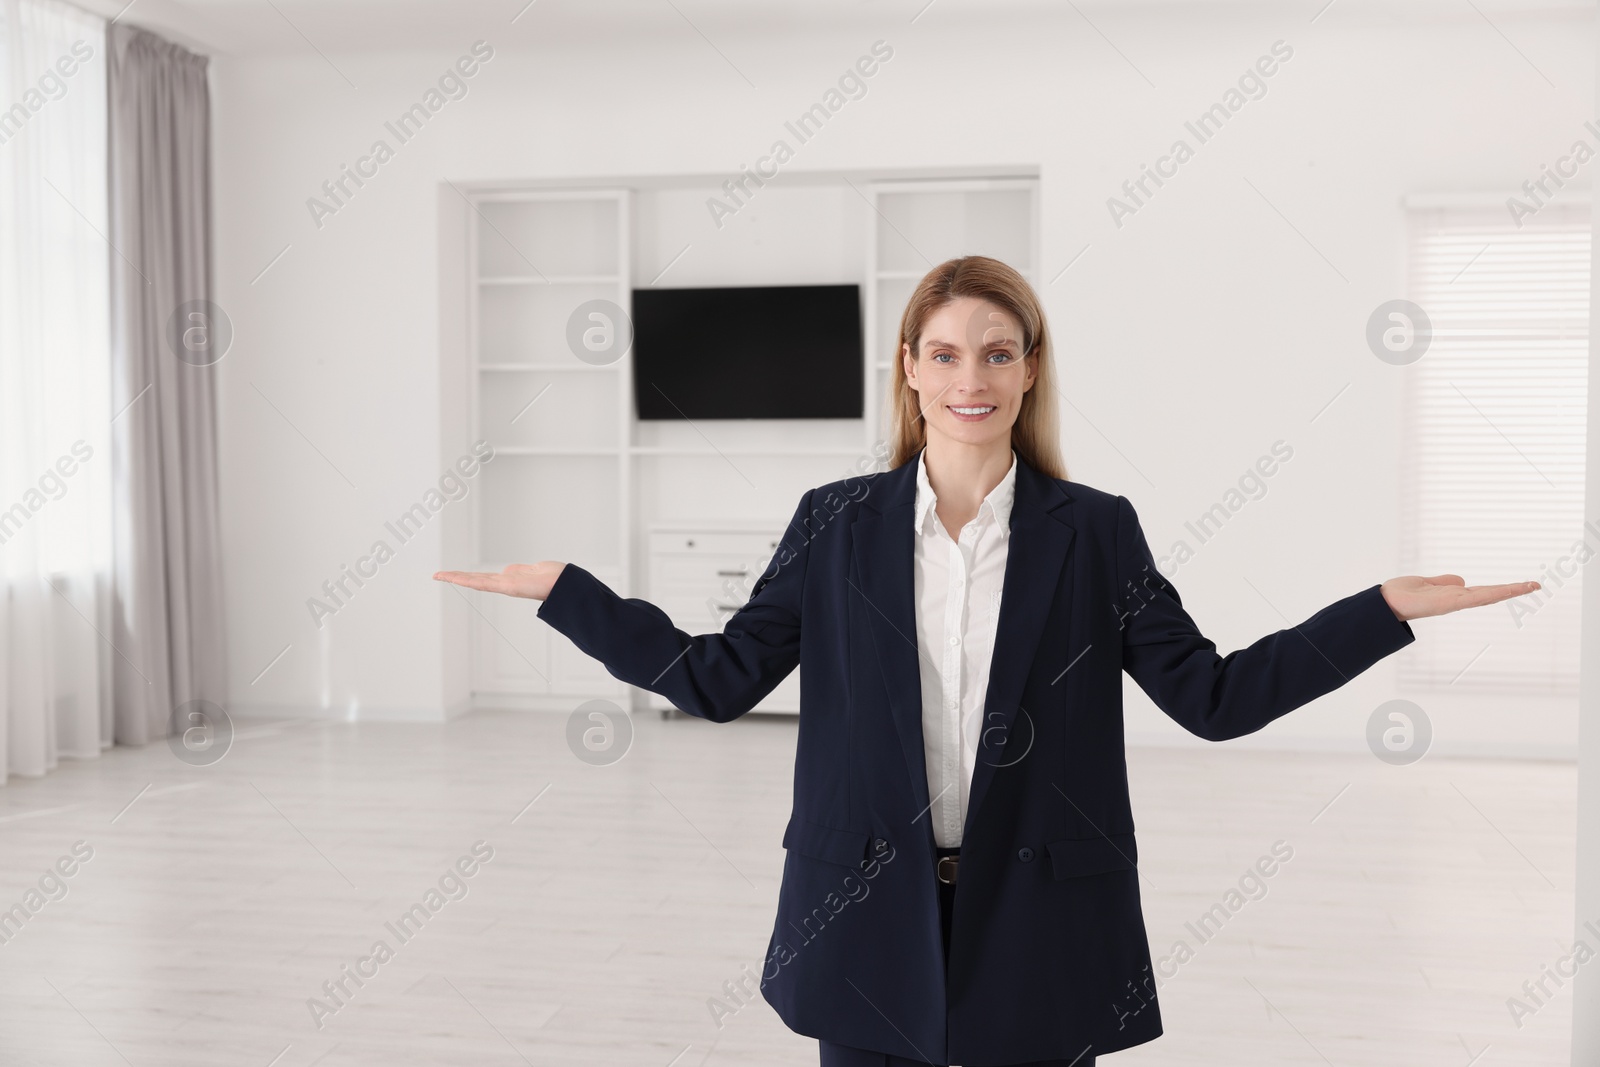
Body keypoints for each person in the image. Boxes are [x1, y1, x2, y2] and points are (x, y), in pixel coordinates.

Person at [434, 255, 1537, 1067]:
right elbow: (718, 679)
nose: (973, 375)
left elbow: (1213, 696)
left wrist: (1382, 609)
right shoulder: (834, 522)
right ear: (909, 368)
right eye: (947, 351)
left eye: (998, 352)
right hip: (860, 907)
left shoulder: (1093, 529)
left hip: (1042, 919)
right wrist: (567, 595)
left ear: (1028, 371)